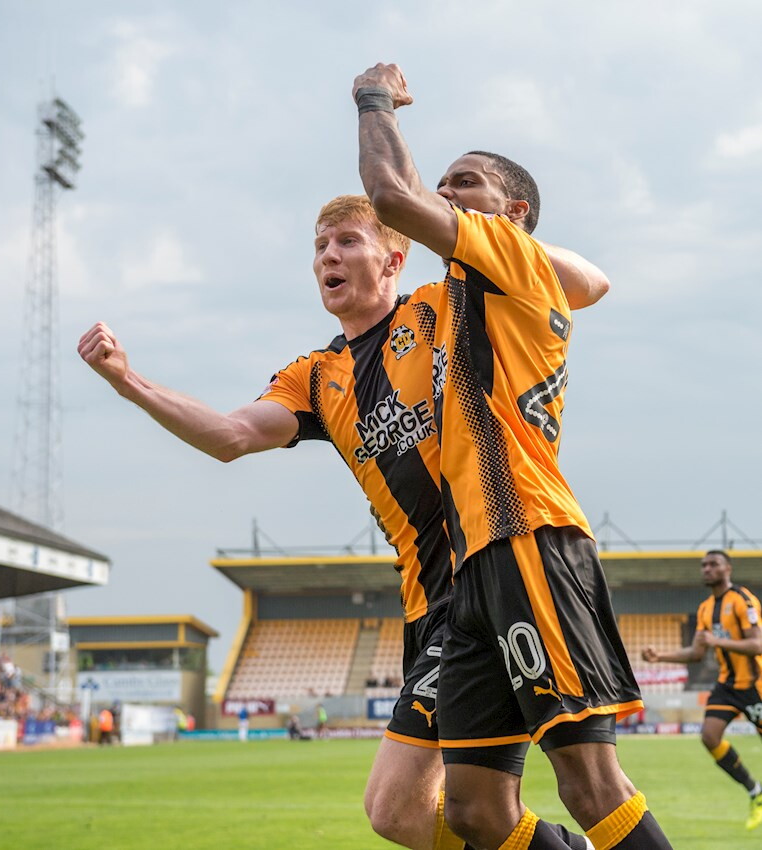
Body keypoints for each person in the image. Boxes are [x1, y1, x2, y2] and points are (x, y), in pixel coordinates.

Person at [78, 194, 604, 850]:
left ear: (394, 259)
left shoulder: (442, 307)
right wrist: (129, 382)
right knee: (438, 813)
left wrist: (477, 235)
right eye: (321, 246)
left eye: (349, 241)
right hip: (425, 606)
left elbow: (584, 285)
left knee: (404, 804)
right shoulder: (317, 376)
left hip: (489, 576)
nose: (329, 255)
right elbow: (231, 434)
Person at [352, 62, 672, 850]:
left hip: (524, 532)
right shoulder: (468, 294)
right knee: (474, 812)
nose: (447, 192)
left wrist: (374, 100)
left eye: (466, 182)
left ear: (514, 213)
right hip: (474, 566)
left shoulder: (510, 258)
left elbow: (393, 196)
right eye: (445, 183)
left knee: (590, 784)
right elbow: (593, 281)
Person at [642, 549, 762, 830]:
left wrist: (716, 642)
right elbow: (697, 653)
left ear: (728, 568)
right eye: (704, 565)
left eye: (713, 564)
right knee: (709, 736)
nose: (707, 569)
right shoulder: (706, 609)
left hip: (756, 685)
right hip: (728, 686)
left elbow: (757, 644)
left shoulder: (743, 600)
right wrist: (660, 657)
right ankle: (755, 792)